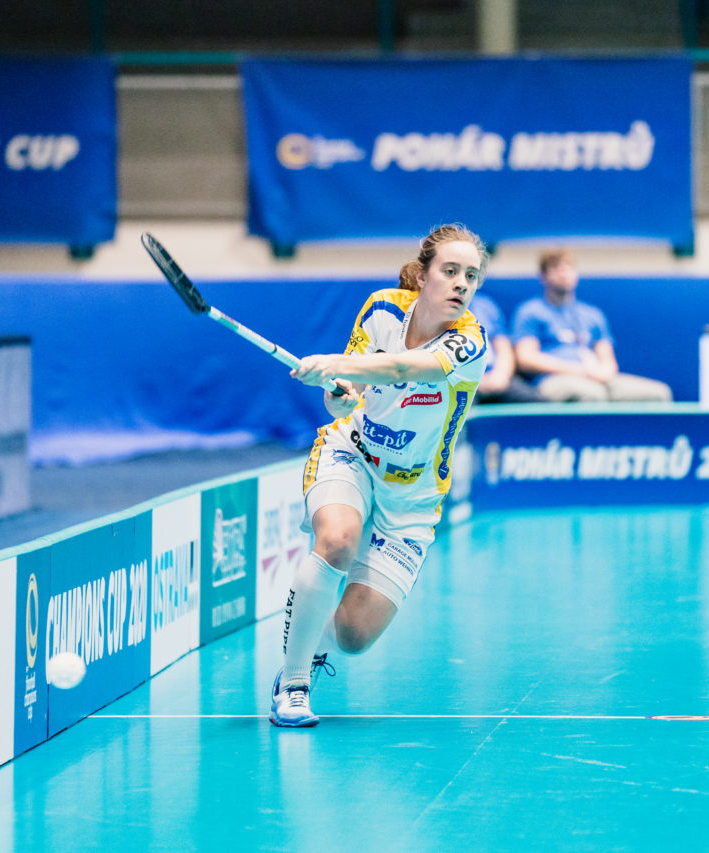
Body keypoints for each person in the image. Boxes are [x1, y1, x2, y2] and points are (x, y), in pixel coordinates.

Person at [271, 223, 490, 727]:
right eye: (450, 271)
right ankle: (294, 682)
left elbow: (400, 370)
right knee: (338, 540)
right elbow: (343, 396)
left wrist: (333, 363)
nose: (461, 284)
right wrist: (336, 388)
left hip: (412, 497)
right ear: (423, 274)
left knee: (353, 635)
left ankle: (305, 617)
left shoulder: (470, 344)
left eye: (471, 276)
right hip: (353, 451)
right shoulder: (381, 309)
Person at [513, 248, 672, 403]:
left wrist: (603, 374)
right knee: (592, 395)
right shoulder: (530, 311)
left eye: (568, 268)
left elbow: (608, 361)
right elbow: (526, 359)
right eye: (556, 268)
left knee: (659, 394)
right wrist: (578, 370)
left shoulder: (592, 314)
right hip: (552, 379)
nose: (564, 273)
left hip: (595, 377)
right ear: (544, 276)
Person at [468, 291, 543, 403]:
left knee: (538, 402)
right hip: (462, 383)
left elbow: (503, 347)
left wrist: (501, 375)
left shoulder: (485, 305)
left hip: (495, 377)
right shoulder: (440, 308)